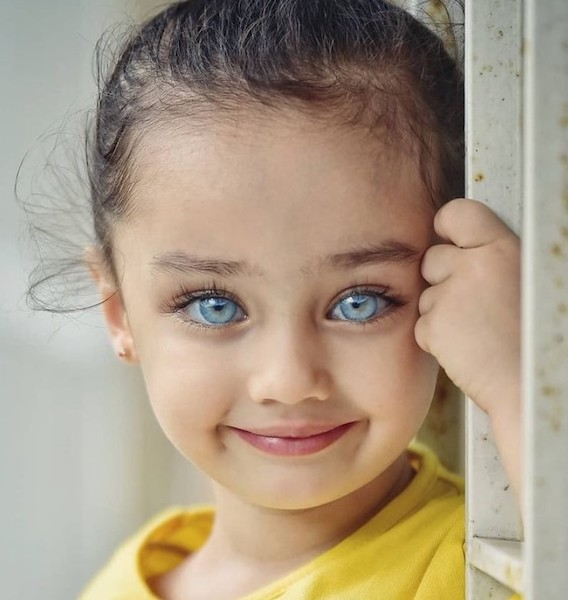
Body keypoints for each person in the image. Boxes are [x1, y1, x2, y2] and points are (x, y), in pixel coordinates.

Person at [38, 0, 521, 598]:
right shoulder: (115, 587)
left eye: (360, 302)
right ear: (119, 315)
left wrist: (521, 383)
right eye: (214, 305)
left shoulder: (485, 567)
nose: (289, 380)